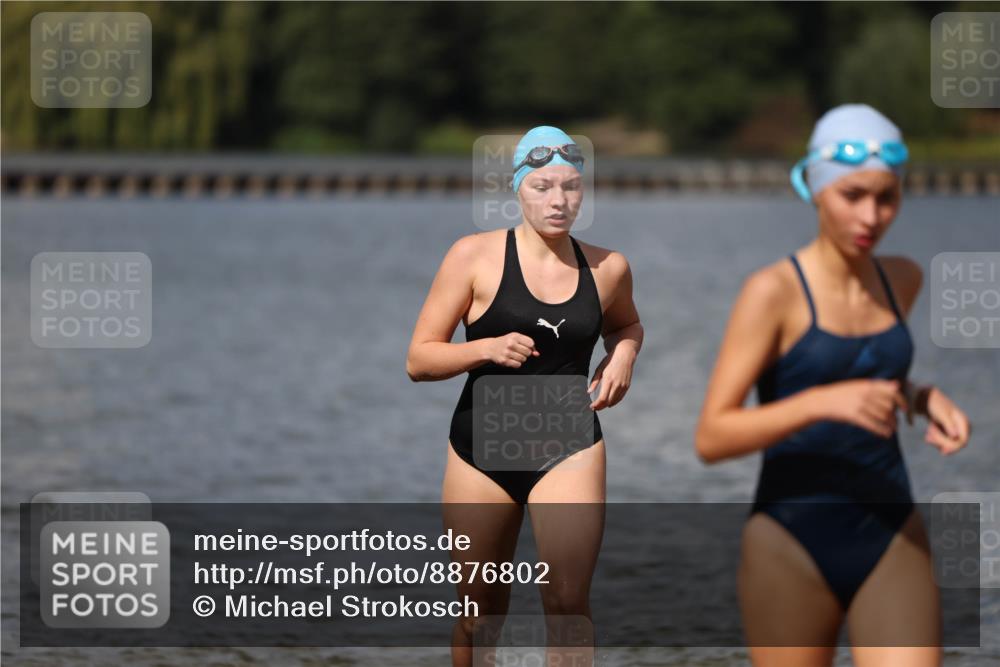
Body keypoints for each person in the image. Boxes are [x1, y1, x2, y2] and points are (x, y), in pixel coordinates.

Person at [695, 104, 971, 667]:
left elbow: (871, 377)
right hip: (790, 539)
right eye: (853, 196)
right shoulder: (772, 292)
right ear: (814, 189)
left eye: (886, 197)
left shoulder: (902, 279)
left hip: (891, 527)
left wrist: (919, 396)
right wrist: (823, 402)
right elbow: (713, 437)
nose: (871, 216)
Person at [407, 126, 642, 666]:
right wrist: (483, 348)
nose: (559, 201)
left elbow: (627, 325)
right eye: (542, 186)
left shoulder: (609, 268)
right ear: (517, 189)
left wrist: (625, 354)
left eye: (571, 187)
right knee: (479, 614)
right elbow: (419, 359)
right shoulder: (472, 257)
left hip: (570, 446)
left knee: (567, 604)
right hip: (481, 452)